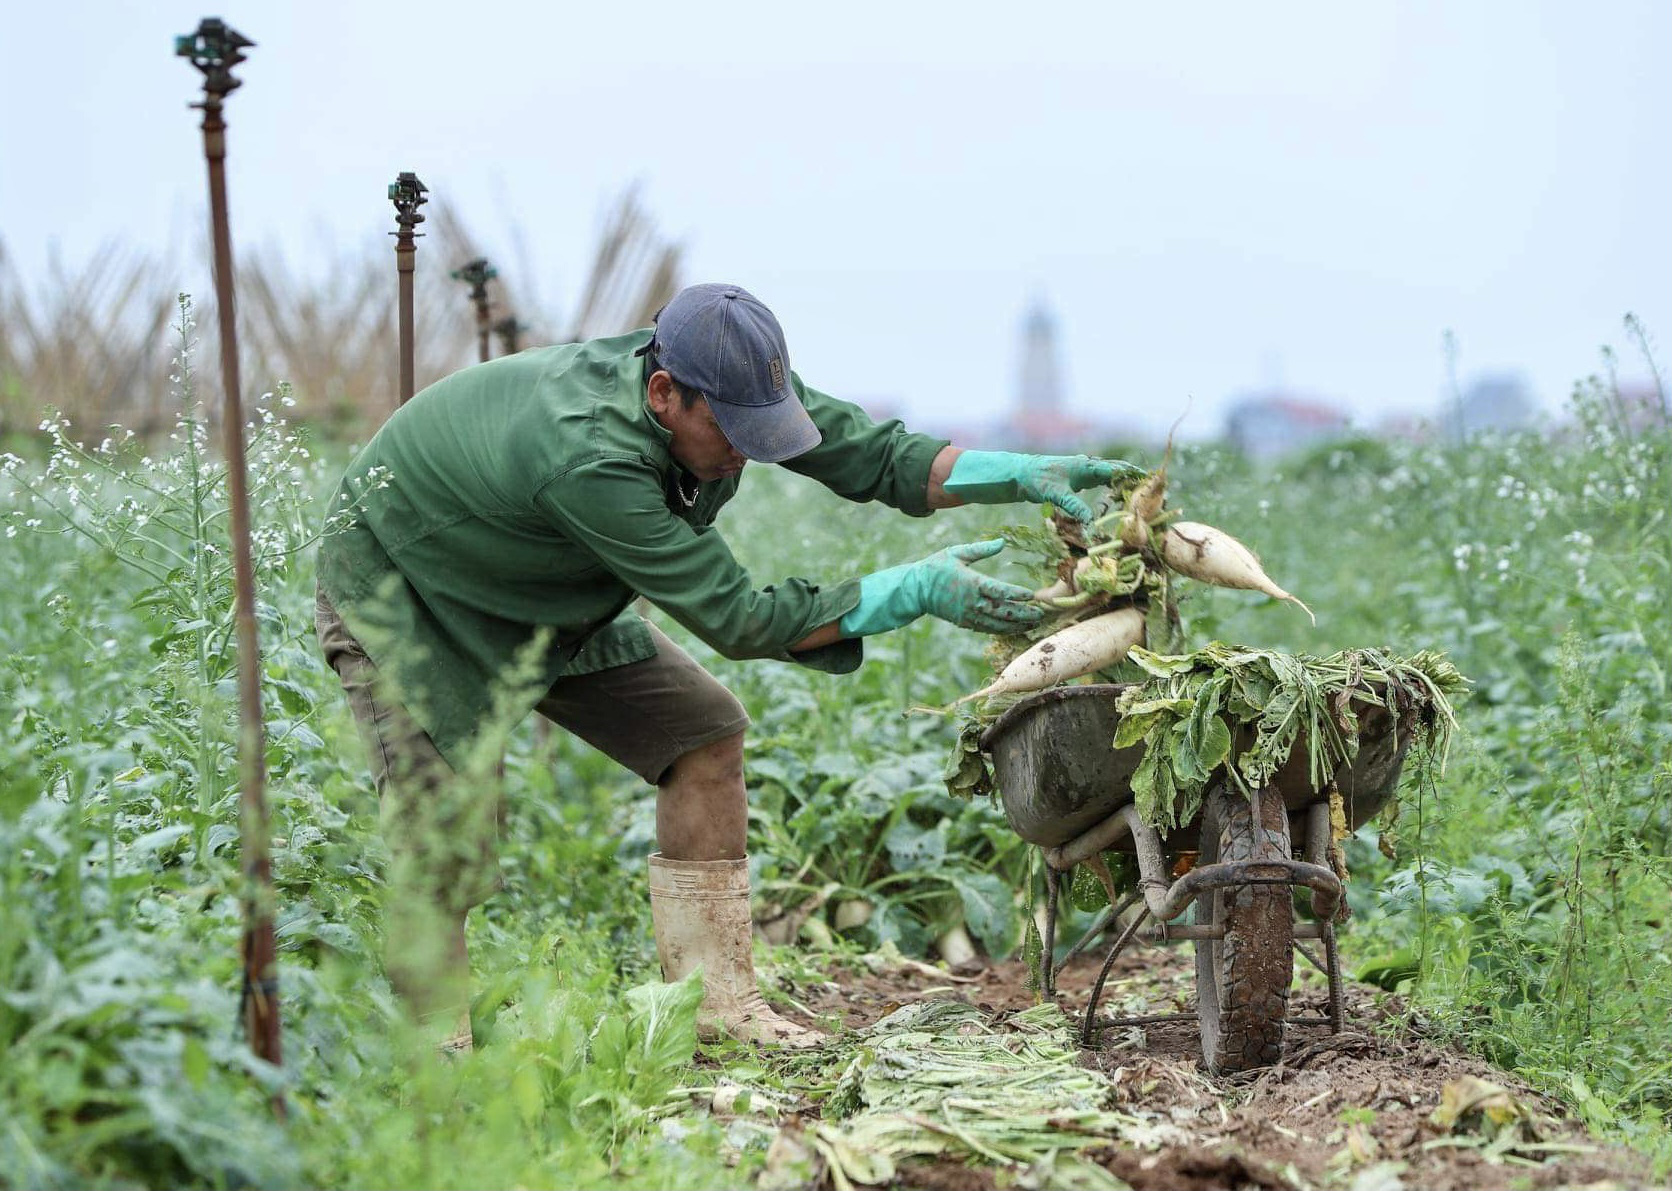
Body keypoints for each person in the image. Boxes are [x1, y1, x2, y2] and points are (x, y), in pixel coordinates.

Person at [315, 283, 1139, 1051]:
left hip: (547, 588)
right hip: (414, 592)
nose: (750, 453)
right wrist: (911, 589)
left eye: (762, 429)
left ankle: (717, 1005)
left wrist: (1019, 473)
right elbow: (739, 617)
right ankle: (440, 1060)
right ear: (663, 392)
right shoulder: (589, 456)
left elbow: (873, 454)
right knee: (445, 837)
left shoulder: (735, 383)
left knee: (704, 735)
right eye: (735, 434)